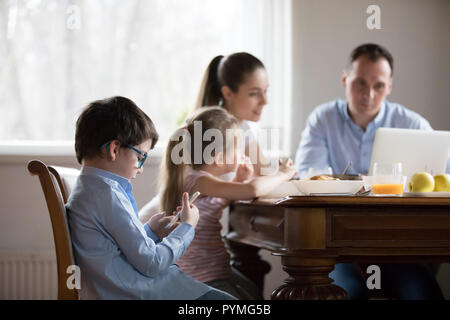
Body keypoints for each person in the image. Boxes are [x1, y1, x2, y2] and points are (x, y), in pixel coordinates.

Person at [294, 43, 444, 299]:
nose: (369, 94)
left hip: (397, 247)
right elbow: (308, 175)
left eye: (379, 86)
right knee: (344, 293)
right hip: (336, 245)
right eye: (360, 83)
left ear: (390, 86)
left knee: (422, 294)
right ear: (345, 79)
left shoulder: (413, 124)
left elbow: (443, 179)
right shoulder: (323, 119)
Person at [66, 96, 236, 300]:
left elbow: (117, 249)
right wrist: (186, 227)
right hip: (137, 291)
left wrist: (151, 231)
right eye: (140, 157)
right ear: (114, 149)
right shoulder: (108, 196)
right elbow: (152, 263)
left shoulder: (90, 189)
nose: (141, 168)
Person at [160, 106, 297, 299]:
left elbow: (218, 201)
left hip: (216, 271)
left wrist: (238, 180)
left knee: (254, 294)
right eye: (238, 146)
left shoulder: (205, 182)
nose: (242, 152)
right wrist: (282, 174)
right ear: (219, 158)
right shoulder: (199, 181)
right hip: (201, 278)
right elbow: (253, 190)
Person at [139, 52, 271, 221]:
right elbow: (260, 183)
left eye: (266, 91)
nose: (265, 101)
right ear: (228, 93)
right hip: (160, 229)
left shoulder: (242, 129)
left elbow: (264, 174)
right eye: (254, 93)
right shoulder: (209, 130)